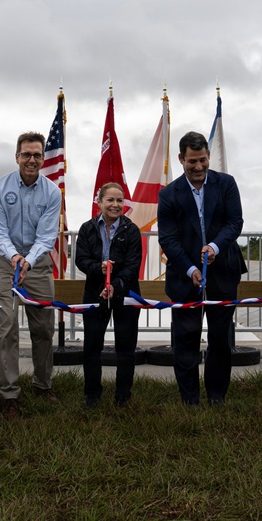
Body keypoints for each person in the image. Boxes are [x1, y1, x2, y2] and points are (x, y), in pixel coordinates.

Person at [157, 131, 247, 406]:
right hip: (185, 278)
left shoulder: (226, 184)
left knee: (220, 339)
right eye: (192, 161)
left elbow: (235, 222)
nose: (198, 167)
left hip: (223, 274)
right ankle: (190, 400)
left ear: (209, 157)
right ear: (181, 159)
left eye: (203, 161)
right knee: (186, 339)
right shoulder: (168, 194)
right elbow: (168, 239)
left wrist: (215, 247)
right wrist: (190, 269)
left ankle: (217, 396)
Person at [0, 131, 62, 418]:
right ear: (17, 156)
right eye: (26, 154)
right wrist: (14, 257)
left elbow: (46, 237)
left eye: (37, 155)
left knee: (44, 327)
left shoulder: (52, 192)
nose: (32, 160)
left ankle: (43, 385)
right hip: (6, 262)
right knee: (7, 325)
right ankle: (9, 394)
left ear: (43, 158)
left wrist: (28, 261)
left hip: (37, 262)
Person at [75, 182, 142, 408]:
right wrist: (98, 269)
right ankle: (92, 395)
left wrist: (115, 285)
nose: (115, 205)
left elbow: (133, 266)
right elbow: (81, 260)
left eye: (119, 200)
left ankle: (123, 397)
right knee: (92, 346)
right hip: (95, 294)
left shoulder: (132, 230)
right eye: (110, 200)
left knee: (126, 347)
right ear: (99, 202)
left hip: (126, 294)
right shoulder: (87, 229)